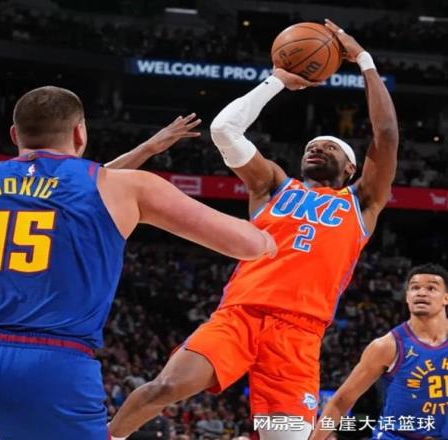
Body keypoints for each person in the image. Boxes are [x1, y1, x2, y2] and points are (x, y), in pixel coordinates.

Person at [108, 19, 399, 440]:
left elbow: (386, 134)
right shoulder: (273, 185)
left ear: (350, 168)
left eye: (329, 147)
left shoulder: (362, 202)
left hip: (299, 334)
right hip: (240, 315)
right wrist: (276, 81)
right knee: (164, 388)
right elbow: (224, 130)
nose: (317, 148)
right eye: (311, 146)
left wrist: (365, 61)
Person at [0, 86, 276, 439]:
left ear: (15, 134)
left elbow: (62, 187)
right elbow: (250, 245)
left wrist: (145, 150)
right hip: (55, 367)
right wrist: (273, 228)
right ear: (80, 132)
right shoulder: (126, 188)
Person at [311, 263, 448, 440]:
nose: (421, 293)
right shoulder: (387, 346)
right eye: (415, 288)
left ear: (446, 298)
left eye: (431, 288)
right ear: (407, 297)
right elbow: (341, 401)